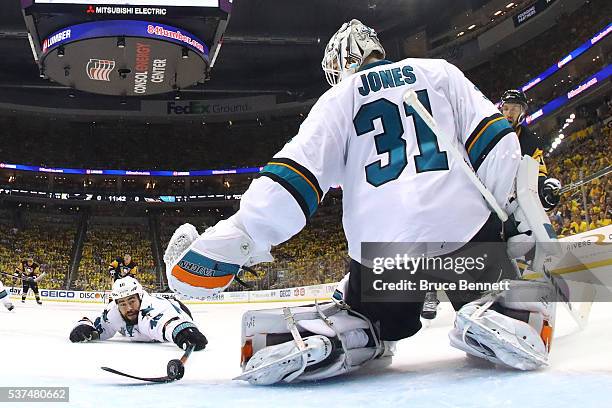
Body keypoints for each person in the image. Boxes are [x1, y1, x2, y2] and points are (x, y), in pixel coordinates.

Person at [164, 19, 554, 384]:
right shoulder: (440, 71)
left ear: (341, 64)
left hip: (385, 251)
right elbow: (497, 142)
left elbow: (295, 177)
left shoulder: (339, 99)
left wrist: (240, 236)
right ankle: (504, 312)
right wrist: (511, 210)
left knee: (370, 316)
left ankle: (347, 335)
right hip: (464, 233)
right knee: (492, 284)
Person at [69, 276, 207, 351]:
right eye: (122, 303)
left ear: (140, 297)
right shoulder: (113, 313)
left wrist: (182, 332)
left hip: (177, 308)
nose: (128, 308)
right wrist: (83, 327)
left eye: (132, 301)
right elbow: (96, 327)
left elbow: (167, 322)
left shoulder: (151, 309)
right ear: (117, 305)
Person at [500, 89, 561, 211]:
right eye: (506, 109)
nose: (509, 114)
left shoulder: (531, 142)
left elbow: (538, 175)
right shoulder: (490, 134)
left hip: (515, 204)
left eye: (514, 109)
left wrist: (545, 188)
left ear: (522, 113)